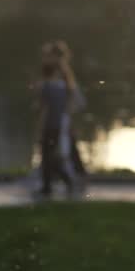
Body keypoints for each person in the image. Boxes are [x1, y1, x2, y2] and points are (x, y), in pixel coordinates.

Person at [36, 60, 75, 197]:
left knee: (47, 156)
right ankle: (63, 180)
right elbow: (67, 108)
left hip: (49, 125)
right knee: (52, 155)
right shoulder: (62, 87)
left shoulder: (45, 87)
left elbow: (44, 109)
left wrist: (40, 129)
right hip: (59, 125)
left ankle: (51, 184)